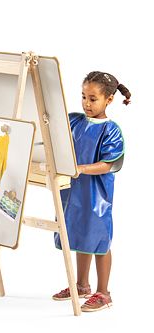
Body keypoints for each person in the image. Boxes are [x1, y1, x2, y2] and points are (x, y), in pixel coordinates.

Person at [53, 71, 131, 312]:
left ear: (108, 100)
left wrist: (82, 168)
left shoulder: (111, 130)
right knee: (79, 234)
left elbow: (109, 164)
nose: (87, 103)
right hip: (73, 192)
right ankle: (82, 285)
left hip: (96, 195)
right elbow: (55, 131)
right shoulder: (75, 121)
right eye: (84, 97)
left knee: (98, 239)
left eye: (93, 98)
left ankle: (104, 293)